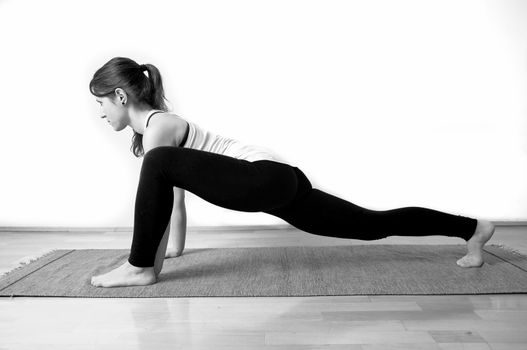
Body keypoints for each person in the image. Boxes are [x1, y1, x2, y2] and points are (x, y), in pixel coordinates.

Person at [89, 57, 495, 288]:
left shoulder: (160, 127)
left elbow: (164, 191)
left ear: (121, 96)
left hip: (262, 175)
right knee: (370, 224)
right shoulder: (162, 140)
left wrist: (146, 266)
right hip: (280, 180)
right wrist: (171, 253)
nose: (101, 113)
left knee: (155, 165)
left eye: (102, 103)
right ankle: (472, 228)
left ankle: (136, 266)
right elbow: (171, 201)